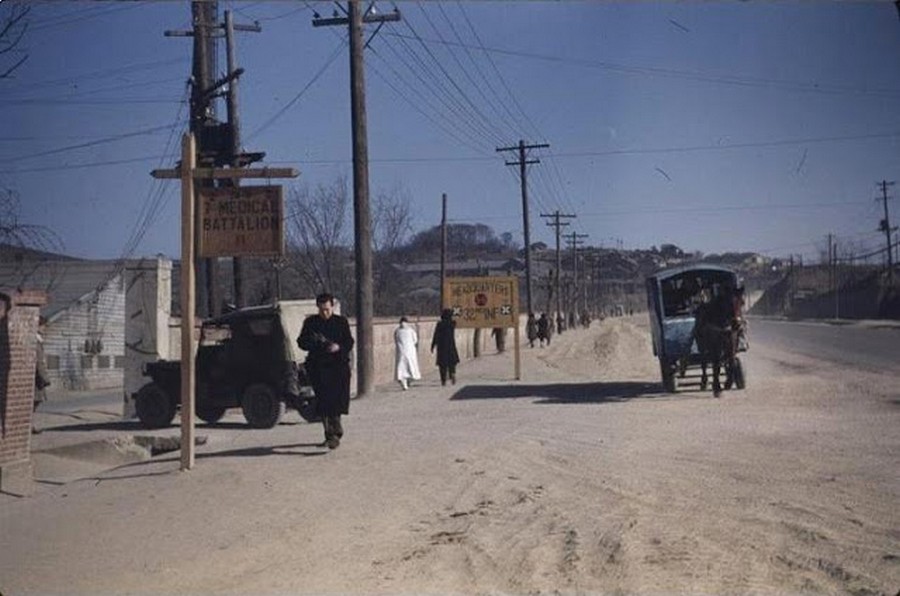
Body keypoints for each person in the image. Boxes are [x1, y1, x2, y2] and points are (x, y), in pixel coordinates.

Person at [298, 293, 354, 450]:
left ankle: (336, 430)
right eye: (322, 310)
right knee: (323, 402)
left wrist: (338, 347)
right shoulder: (310, 323)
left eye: (328, 310)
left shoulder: (341, 322)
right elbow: (301, 342)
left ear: (333, 307)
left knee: (336, 401)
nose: (325, 313)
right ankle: (330, 435)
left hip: (338, 367)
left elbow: (349, 341)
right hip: (319, 368)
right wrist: (313, 342)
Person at [431, 309, 460, 386]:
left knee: (442, 365)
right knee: (452, 363)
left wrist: (433, 345)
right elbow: (457, 317)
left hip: (441, 347)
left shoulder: (439, 324)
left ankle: (443, 380)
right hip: (451, 345)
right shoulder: (452, 324)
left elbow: (436, 335)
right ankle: (452, 373)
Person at [394, 316, 421, 390]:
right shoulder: (411, 330)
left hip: (401, 352)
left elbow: (395, 340)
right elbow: (415, 340)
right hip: (410, 352)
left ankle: (404, 384)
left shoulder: (397, 331)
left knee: (401, 368)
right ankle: (409, 380)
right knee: (411, 367)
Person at [33, 316, 50, 435]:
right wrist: (45, 378)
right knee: (34, 402)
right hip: (36, 379)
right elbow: (39, 362)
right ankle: (29, 426)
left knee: (35, 402)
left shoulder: (39, 341)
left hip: (37, 378)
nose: (45, 328)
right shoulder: (36, 342)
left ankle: (30, 425)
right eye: (44, 326)